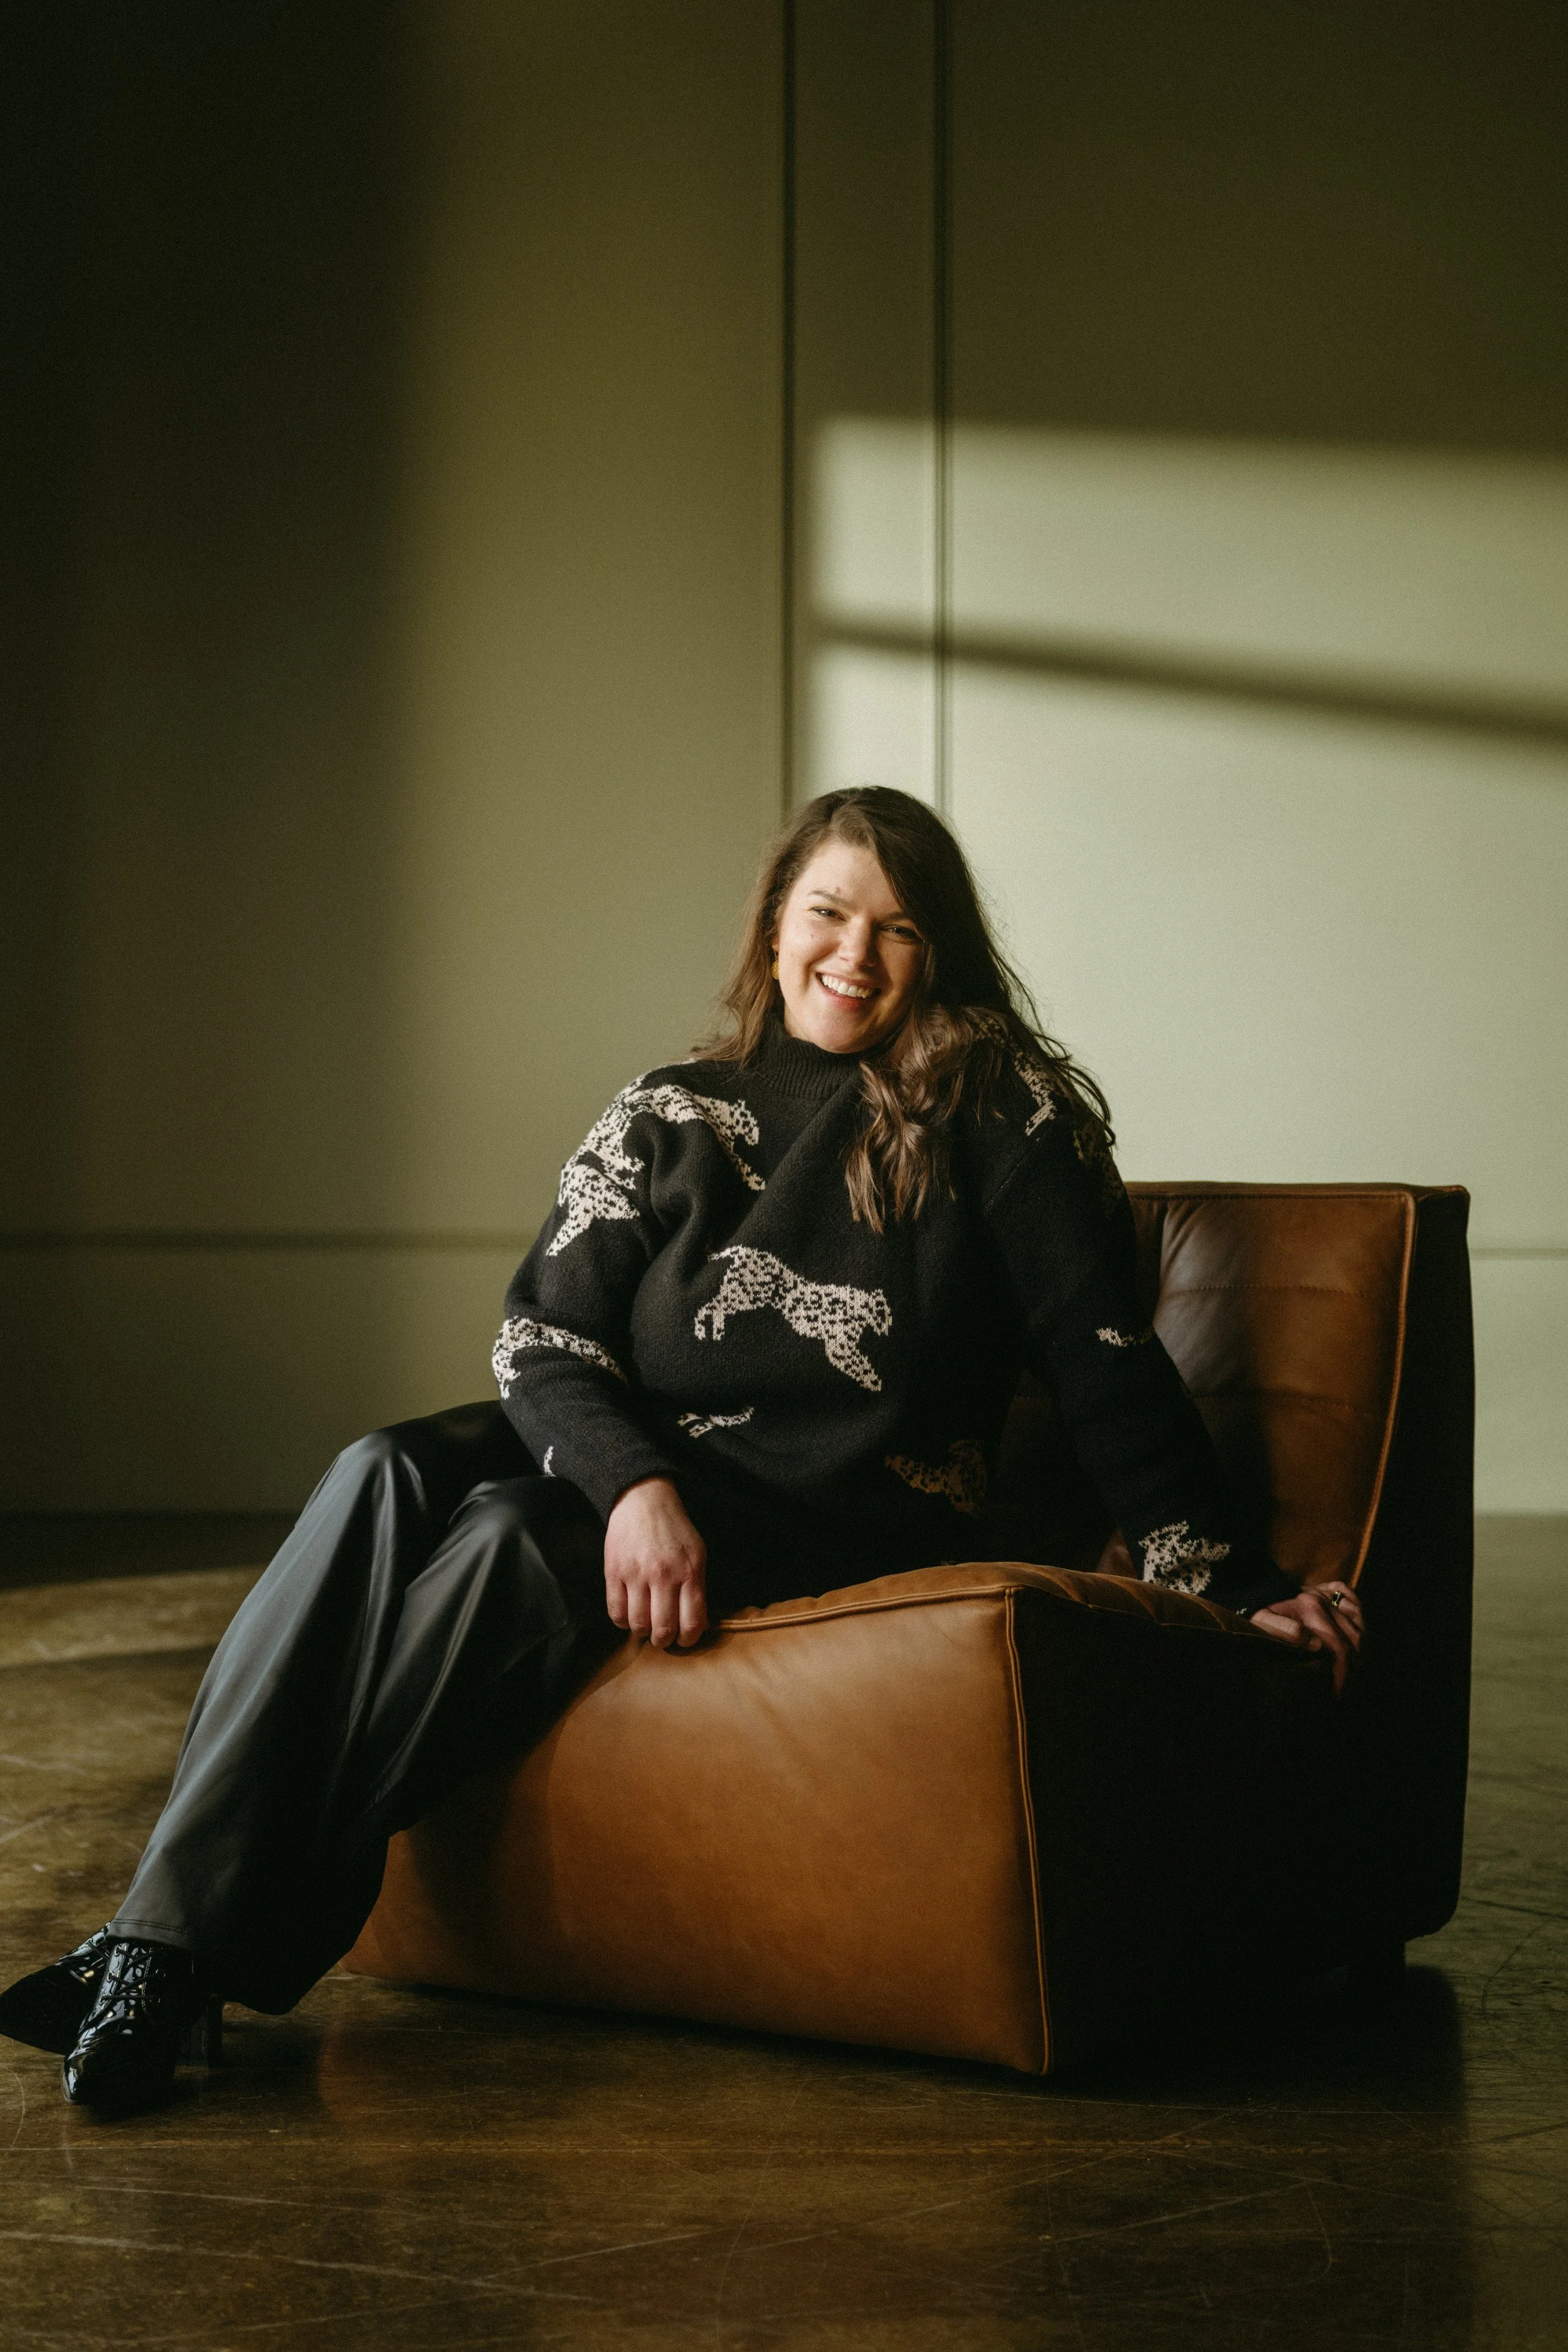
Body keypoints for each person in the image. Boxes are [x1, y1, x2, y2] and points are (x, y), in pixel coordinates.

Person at [0, 787, 1362, 2109]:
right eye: (827, 912)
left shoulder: (1000, 1112)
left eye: (898, 929)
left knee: (502, 1540)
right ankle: (162, 1948)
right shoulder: (674, 1109)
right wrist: (636, 1486)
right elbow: (544, 1336)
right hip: (648, 1469)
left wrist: (1230, 1582)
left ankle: (166, 1956)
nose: (854, 953)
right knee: (380, 1467)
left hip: (832, 1503)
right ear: (774, 924)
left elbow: (1102, 1356)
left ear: (937, 953)